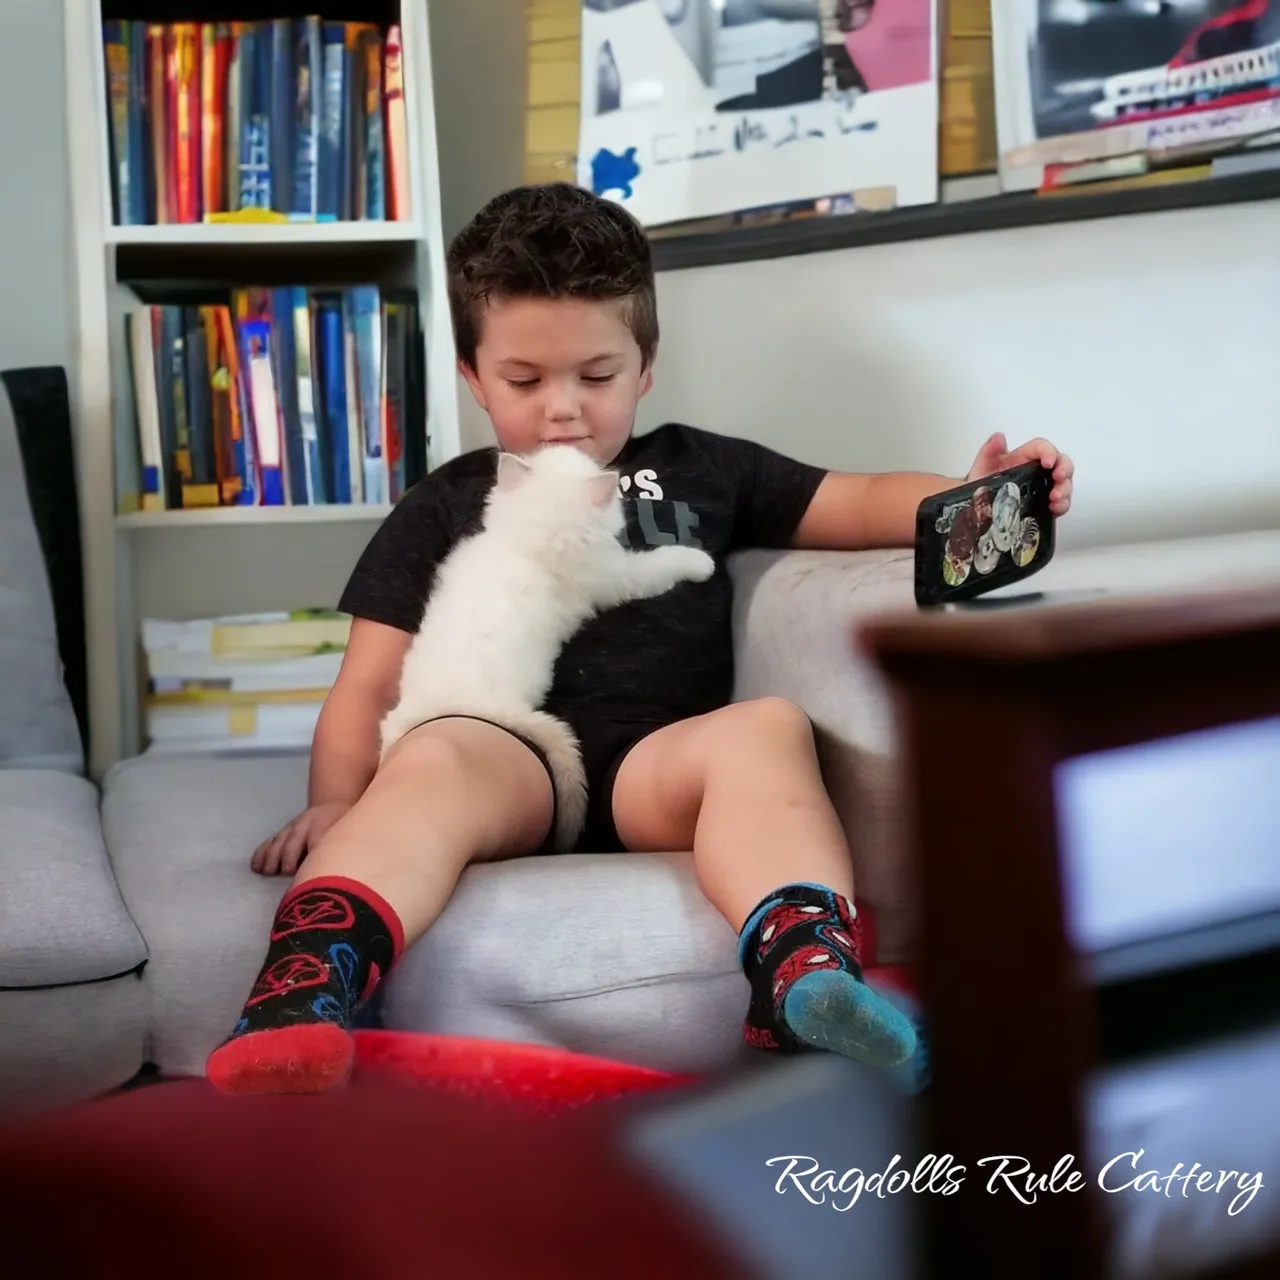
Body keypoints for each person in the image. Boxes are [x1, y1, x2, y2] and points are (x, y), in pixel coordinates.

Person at [206, 183, 1074, 1095]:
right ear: (471, 375)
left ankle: (804, 976)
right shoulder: (448, 502)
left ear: (646, 364)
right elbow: (369, 684)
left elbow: (852, 500)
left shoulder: (702, 468)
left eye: (597, 375)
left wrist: (966, 494)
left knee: (766, 726)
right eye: (524, 381)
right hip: (514, 760)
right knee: (432, 754)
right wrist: (334, 803)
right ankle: (301, 993)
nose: (564, 410)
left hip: (656, 772)